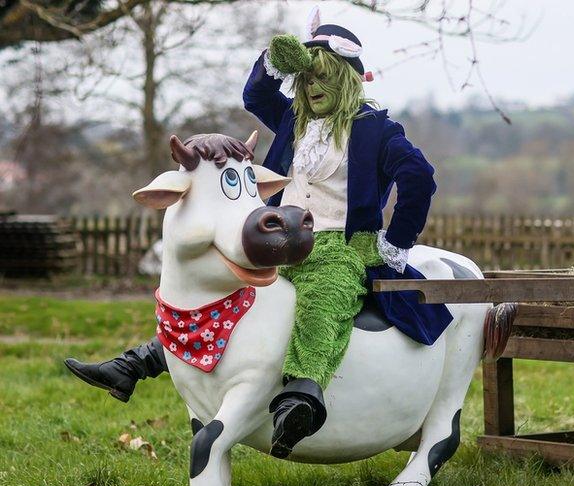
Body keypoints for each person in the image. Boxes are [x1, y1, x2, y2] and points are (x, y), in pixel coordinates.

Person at [65, 19, 453, 459]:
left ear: (346, 77)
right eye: (306, 79)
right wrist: (277, 61)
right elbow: (256, 96)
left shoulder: (375, 130)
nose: (312, 88)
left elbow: (419, 178)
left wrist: (395, 244)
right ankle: (138, 363)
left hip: (340, 247)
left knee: (324, 299)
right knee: (222, 293)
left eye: (323, 76)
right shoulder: (294, 121)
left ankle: (303, 394)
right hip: (282, 239)